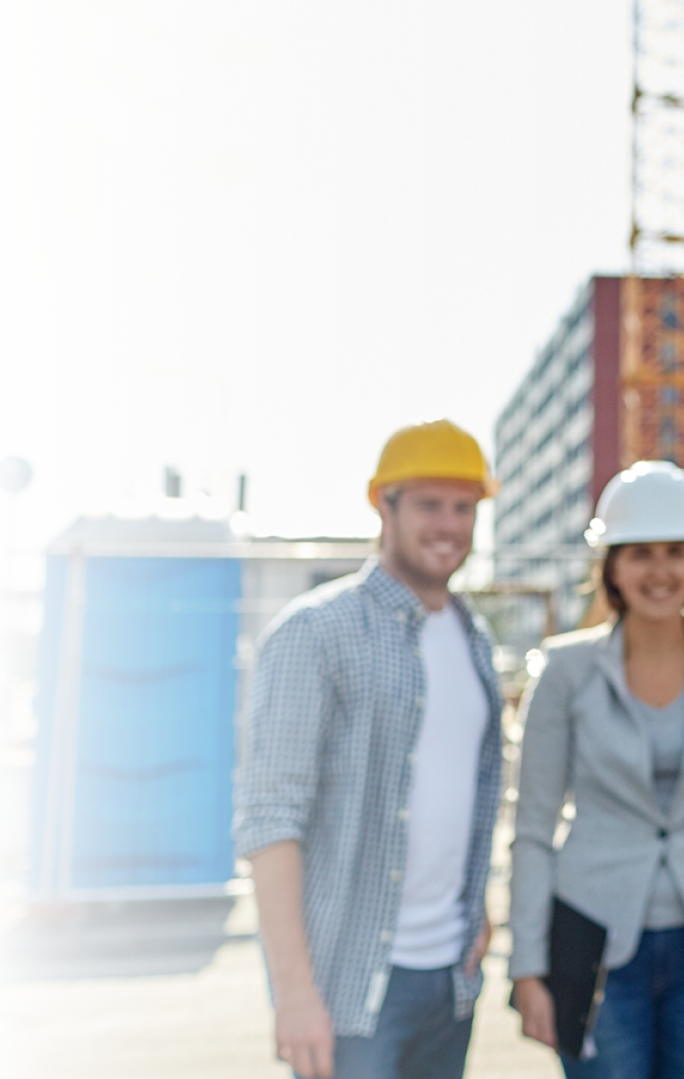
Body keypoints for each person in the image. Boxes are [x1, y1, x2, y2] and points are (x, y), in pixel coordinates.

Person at [234, 419, 506, 1079]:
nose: (447, 525)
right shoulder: (315, 633)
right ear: (384, 506)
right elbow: (270, 819)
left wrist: (478, 912)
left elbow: (460, 793)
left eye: (463, 508)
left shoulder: (473, 638)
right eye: (428, 506)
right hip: (350, 987)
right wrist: (295, 992)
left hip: (448, 978)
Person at [509, 461, 684, 1079]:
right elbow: (532, 829)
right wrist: (527, 966)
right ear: (610, 566)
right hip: (592, 944)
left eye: (675, 552)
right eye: (639, 553)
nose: (660, 571)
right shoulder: (564, 671)